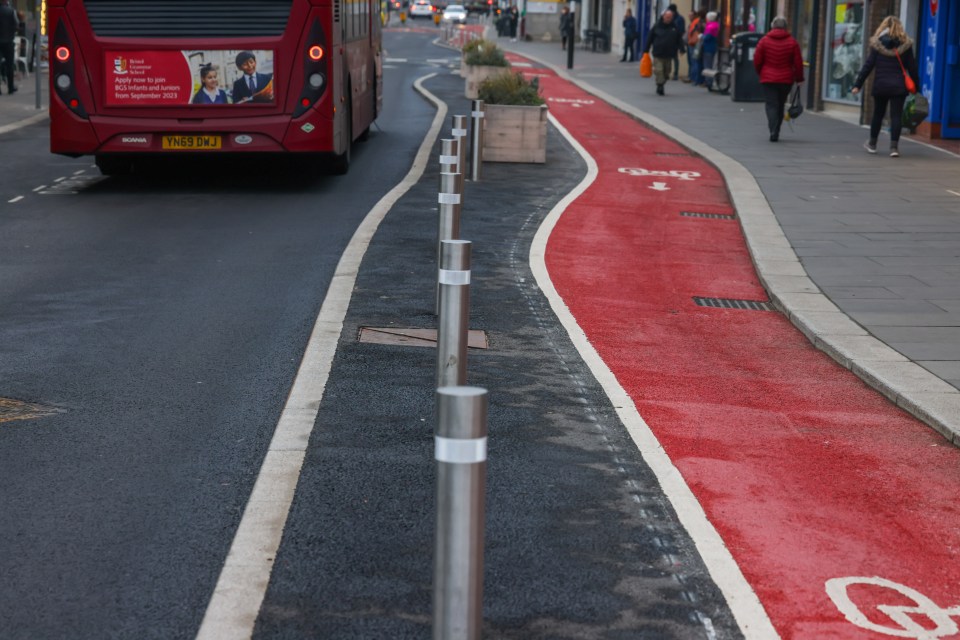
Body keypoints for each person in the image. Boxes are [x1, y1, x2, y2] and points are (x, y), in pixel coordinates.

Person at [852, 16, 919, 157]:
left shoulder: (878, 45)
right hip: (898, 87)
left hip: (881, 85)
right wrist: (916, 87)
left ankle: (872, 144)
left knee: (878, 114)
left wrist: (858, 84)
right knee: (896, 116)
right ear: (900, 27)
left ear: (883, 27)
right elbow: (912, 68)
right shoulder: (906, 46)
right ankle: (894, 148)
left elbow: (868, 66)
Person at [753, 16, 804, 142]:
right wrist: (799, 78)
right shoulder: (792, 42)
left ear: (772, 26)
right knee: (780, 104)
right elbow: (798, 62)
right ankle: (777, 129)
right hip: (786, 80)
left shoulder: (764, 41)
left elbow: (757, 60)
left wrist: (761, 72)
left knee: (771, 105)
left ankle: (773, 130)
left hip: (768, 79)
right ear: (785, 27)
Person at [642, 9, 685, 96]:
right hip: (658, 52)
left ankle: (661, 83)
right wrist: (646, 49)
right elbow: (650, 37)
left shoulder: (674, 27)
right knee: (659, 70)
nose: (668, 19)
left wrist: (682, 49)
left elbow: (679, 38)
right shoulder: (657, 26)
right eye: (667, 17)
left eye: (670, 17)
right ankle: (660, 86)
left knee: (667, 72)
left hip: (669, 53)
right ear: (663, 17)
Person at [0, 0, 18, 95]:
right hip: (8, 42)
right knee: (9, 65)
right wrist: (11, 34)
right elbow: (16, 25)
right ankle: (10, 87)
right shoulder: (11, 11)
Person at [700, 11, 720, 89]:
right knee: (710, 64)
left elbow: (707, 37)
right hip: (712, 46)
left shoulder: (711, 26)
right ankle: (709, 81)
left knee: (707, 65)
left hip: (708, 47)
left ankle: (709, 82)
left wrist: (701, 36)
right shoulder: (715, 25)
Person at [667, 4, 685, 80]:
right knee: (668, 57)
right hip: (668, 39)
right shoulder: (670, 18)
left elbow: (681, 31)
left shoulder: (679, 19)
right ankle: (667, 72)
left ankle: (675, 73)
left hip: (675, 40)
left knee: (674, 57)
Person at [686, 9, 704, 84]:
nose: (689, 17)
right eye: (689, 15)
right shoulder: (696, 22)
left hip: (694, 43)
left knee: (695, 62)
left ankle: (695, 78)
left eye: (691, 15)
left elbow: (693, 32)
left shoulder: (697, 22)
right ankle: (693, 77)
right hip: (693, 43)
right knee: (694, 62)